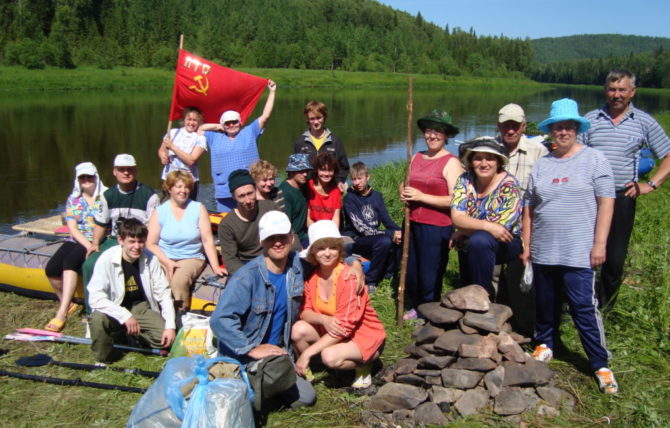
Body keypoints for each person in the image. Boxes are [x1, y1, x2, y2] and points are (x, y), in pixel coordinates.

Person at [210, 211, 365, 409]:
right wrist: (252, 349)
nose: (277, 243)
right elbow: (219, 320)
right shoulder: (246, 277)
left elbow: (330, 256)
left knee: (306, 398)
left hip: (280, 354)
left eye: (282, 237)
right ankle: (246, 382)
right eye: (271, 238)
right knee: (243, 402)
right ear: (261, 241)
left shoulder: (297, 266)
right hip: (246, 355)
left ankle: (262, 388)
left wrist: (355, 264)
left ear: (291, 238)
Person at [522, 98, 618, 394]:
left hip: (579, 251)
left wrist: (599, 243)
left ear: (576, 129)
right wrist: (527, 245)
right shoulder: (542, 164)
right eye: (557, 127)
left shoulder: (594, 159)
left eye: (568, 127)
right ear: (550, 131)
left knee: (583, 307)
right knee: (545, 303)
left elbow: (606, 203)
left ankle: (600, 363)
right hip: (545, 250)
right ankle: (546, 344)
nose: (562, 132)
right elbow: (529, 207)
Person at [580, 69, 670, 312]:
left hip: (622, 197)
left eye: (621, 90)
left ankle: (605, 309)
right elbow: (576, 155)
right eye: (612, 89)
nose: (616, 95)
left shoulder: (643, 121)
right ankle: (580, 305)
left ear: (632, 92)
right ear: (605, 90)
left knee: (615, 257)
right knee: (583, 252)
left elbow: (668, 155)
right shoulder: (591, 119)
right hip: (590, 197)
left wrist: (650, 184)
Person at [292, 220, 386, 389]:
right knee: (298, 329)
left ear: (340, 249)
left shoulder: (349, 277)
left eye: (332, 247)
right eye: (321, 248)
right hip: (332, 329)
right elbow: (304, 312)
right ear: (312, 252)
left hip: (359, 333)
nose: (327, 253)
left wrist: (306, 353)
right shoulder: (313, 278)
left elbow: (345, 326)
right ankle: (311, 372)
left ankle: (366, 363)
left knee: (330, 356)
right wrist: (323, 319)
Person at [400, 109, 464, 320]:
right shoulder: (417, 156)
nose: (432, 135)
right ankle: (417, 306)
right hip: (412, 221)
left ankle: (429, 311)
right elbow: (407, 182)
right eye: (429, 131)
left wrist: (421, 197)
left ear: (446, 135)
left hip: (436, 226)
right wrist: (403, 190)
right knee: (412, 270)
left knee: (430, 272)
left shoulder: (451, 162)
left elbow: (456, 199)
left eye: (438, 131)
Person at [494, 103, 549, 337]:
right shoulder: (490, 149)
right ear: (499, 125)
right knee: (491, 276)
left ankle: (525, 327)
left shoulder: (538, 151)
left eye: (515, 125)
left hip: (524, 227)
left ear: (523, 126)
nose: (510, 130)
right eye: (506, 124)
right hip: (493, 226)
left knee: (522, 279)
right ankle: (490, 323)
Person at [88, 218, 176, 363]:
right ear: (120, 240)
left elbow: (164, 294)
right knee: (98, 318)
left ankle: (129, 337)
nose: (137, 246)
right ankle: (103, 358)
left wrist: (170, 326)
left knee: (166, 339)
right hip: (114, 306)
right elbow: (95, 298)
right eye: (132, 241)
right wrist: (125, 316)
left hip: (140, 307)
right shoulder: (106, 259)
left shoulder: (151, 259)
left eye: (141, 242)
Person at [82, 154, 160, 315]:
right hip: (115, 239)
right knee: (89, 264)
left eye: (129, 169)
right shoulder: (107, 196)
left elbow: (153, 227)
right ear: (114, 172)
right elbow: (101, 223)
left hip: (139, 240)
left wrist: (147, 245)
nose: (126, 173)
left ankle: (149, 303)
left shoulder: (149, 195)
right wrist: (95, 243)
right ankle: (92, 311)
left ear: (135, 171)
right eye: (121, 169)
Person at [450, 137, 523, 298]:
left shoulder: (509, 185)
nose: (484, 164)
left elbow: (501, 230)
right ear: (471, 161)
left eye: (490, 158)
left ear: (498, 162)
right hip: (477, 235)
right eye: (478, 158)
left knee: (479, 240)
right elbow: (456, 218)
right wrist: (485, 225)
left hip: (508, 241)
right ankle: (468, 292)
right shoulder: (465, 180)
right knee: (471, 240)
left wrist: (465, 228)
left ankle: (483, 295)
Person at [146, 170, 225, 313]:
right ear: (169, 189)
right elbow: (150, 243)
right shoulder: (160, 211)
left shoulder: (198, 208)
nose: (183, 191)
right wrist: (167, 262)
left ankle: (180, 315)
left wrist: (215, 266)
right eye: (179, 187)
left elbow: (207, 240)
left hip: (191, 257)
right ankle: (159, 317)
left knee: (178, 282)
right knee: (159, 282)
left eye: (187, 187)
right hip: (165, 257)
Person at [44, 162, 107, 332]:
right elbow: (72, 227)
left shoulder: (105, 196)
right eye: (82, 178)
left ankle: (61, 313)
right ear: (78, 180)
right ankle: (68, 302)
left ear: (96, 177)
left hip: (98, 238)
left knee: (70, 262)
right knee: (51, 269)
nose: (86, 180)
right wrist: (87, 246)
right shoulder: (74, 199)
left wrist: (93, 244)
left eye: (89, 177)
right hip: (78, 239)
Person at [201, 80, 277, 212]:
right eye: (227, 123)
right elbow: (199, 129)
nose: (231, 125)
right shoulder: (214, 136)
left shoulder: (249, 132)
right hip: (224, 192)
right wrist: (218, 126)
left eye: (234, 122)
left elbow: (265, 117)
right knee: (227, 224)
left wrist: (272, 92)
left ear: (240, 122)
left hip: (249, 189)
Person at [343, 161, 402, 290]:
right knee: (385, 241)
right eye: (354, 179)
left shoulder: (377, 196)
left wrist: (400, 231)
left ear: (368, 177)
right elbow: (362, 229)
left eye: (360, 178)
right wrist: (390, 234)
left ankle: (389, 275)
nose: (357, 183)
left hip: (373, 235)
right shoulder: (349, 199)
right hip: (356, 238)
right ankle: (370, 281)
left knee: (400, 238)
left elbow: (387, 220)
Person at [218, 169, 279, 275]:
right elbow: (230, 260)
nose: (248, 201)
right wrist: (249, 276)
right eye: (241, 196)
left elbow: (290, 235)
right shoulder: (226, 224)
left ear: (255, 189)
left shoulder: (270, 207)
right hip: (246, 265)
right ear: (233, 197)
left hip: (273, 258)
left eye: (250, 193)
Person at [294, 100, 349, 188]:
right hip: (308, 189)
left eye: (319, 118)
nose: (316, 122)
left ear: (324, 117)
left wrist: (339, 181)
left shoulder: (335, 141)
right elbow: (296, 169)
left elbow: (344, 167)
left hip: (331, 187)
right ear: (307, 119)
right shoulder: (300, 142)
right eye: (312, 119)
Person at [157, 106, 208, 201]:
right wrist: (163, 156)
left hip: (188, 180)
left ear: (199, 122)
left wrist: (172, 147)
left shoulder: (201, 138)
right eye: (189, 119)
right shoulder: (172, 132)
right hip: (169, 177)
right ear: (184, 120)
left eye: (195, 120)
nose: (191, 123)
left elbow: (191, 160)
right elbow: (161, 150)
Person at [279, 153, 312, 248]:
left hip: (305, 235)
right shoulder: (285, 191)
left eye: (306, 170)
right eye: (301, 171)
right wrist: (297, 246)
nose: (305, 174)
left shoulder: (304, 185)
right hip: (292, 239)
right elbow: (286, 224)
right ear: (292, 172)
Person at [307, 152, 342, 228]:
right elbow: (308, 219)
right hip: (313, 229)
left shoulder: (336, 191)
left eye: (330, 170)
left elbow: (336, 219)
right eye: (323, 170)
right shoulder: (309, 187)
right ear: (317, 170)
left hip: (330, 230)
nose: (326, 174)